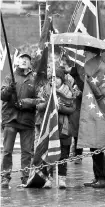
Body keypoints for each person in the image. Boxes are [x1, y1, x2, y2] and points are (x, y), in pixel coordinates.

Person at [1, 53, 38, 187]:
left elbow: (40, 99)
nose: (24, 61)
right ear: (17, 62)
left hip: (27, 121)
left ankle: (25, 177)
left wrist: (25, 103)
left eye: (27, 59)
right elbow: (2, 95)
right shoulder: (10, 76)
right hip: (10, 119)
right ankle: (5, 177)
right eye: (22, 59)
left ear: (30, 63)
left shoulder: (35, 79)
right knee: (7, 151)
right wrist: (9, 89)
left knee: (27, 152)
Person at [36, 67, 76, 189]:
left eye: (58, 78)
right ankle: (48, 178)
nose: (56, 80)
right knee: (47, 153)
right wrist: (49, 104)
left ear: (62, 79)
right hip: (48, 127)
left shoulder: (69, 92)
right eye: (53, 78)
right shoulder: (44, 90)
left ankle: (62, 179)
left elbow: (72, 109)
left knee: (63, 153)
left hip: (63, 128)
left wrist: (61, 108)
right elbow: (38, 105)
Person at [82, 46, 105, 188]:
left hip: (101, 111)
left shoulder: (103, 69)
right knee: (93, 146)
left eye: (86, 52)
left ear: (93, 54)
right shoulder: (94, 68)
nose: (84, 55)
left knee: (97, 144)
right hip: (94, 111)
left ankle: (104, 177)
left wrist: (89, 80)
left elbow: (101, 93)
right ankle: (98, 176)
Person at [59, 56, 83, 164]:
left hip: (76, 108)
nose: (64, 65)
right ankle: (65, 155)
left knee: (77, 133)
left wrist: (79, 93)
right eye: (62, 63)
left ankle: (78, 154)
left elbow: (82, 89)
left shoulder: (77, 75)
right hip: (66, 108)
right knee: (66, 133)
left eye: (65, 63)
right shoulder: (60, 75)